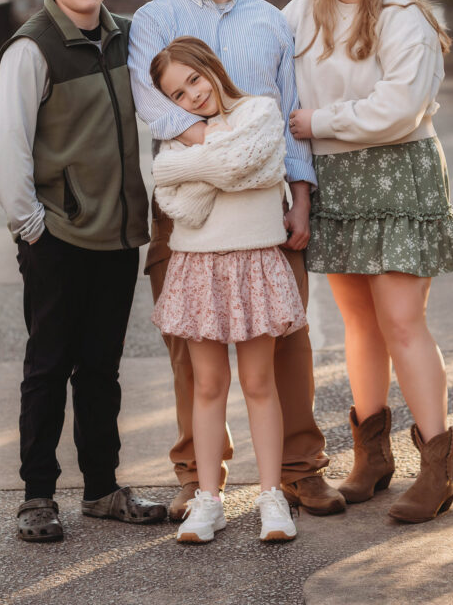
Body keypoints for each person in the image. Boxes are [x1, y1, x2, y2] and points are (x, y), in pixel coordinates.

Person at [128, 0, 345, 522]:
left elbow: (290, 111)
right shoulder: (153, 20)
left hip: (266, 208)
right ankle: (198, 477)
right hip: (189, 206)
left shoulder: (272, 23)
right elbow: (157, 109)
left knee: (285, 335)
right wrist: (228, 148)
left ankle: (300, 471)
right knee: (189, 343)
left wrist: (300, 195)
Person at [284, 0, 453, 524]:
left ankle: (439, 467)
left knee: (401, 321)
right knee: (357, 322)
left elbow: (400, 109)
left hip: (397, 174)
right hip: (335, 180)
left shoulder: (403, 16)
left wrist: (319, 122)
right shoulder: (300, 14)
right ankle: (372, 457)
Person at [0, 0, 166, 542]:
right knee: (47, 367)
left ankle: (102, 489)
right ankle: (37, 496)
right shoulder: (32, 48)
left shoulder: (125, 37)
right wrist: (30, 225)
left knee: (101, 369)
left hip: (118, 236)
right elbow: (9, 144)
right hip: (57, 236)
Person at [149, 37, 304, 543]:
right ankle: (208, 501)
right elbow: (178, 201)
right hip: (197, 268)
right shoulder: (177, 136)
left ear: (211, 68)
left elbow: (234, 167)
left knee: (260, 383)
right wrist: (221, 162)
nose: (190, 97)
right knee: (208, 385)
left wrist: (199, 165)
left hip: (255, 261)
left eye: (193, 80)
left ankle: (270, 497)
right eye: (176, 95)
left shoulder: (260, 110)